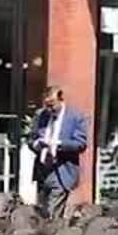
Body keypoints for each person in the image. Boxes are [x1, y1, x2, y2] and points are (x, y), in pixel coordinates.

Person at [29, 84, 88, 219]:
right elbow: (31, 139)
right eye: (46, 105)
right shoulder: (41, 116)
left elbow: (81, 144)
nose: (49, 109)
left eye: (52, 105)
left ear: (61, 99)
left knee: (53, 213)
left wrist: (58, 144)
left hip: (62, 171)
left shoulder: (75, 117)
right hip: (43, 171)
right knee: (41, 213)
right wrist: (37, 144)